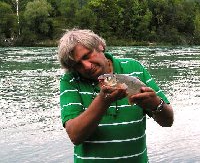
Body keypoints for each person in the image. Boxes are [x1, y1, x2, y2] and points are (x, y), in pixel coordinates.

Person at [58, 29, 174, 163]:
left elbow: (168, 122)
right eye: (77, 64)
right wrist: (103, 101)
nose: (87, 66)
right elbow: (75, 136)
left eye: (86, 56)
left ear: (100, 46)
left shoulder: (135, 68)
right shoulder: (70, 81)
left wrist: (156, 105)